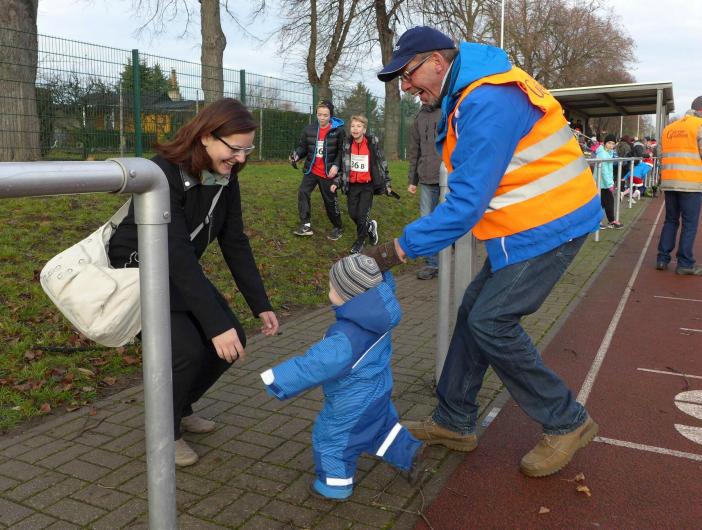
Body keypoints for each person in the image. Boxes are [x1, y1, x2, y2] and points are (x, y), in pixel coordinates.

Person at [369, 26, 602, 478]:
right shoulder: (474, 92)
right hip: (524, 226)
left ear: (437, 61)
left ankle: (566, 421)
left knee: (491, 321)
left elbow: (464, 205)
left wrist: (395, 251)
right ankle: (454, 420)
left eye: (408, 74)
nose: (406, 86)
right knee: (474, 313)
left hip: (550, 225)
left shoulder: (487, 99)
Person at [108, 98, 280, 466]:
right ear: (206, 137)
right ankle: (164, 433)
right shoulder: (162, 173)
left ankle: (179, 406)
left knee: (232, 340)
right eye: (235, 149)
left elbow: (234, 241)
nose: (241, 159)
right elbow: (176, 252)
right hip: (138, 270)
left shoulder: (226, 176)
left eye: (247, 150)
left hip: (175, 268)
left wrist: (260, 304)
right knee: (187, 349)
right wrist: (214, 325)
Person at [260, 254, 424, 501]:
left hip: (352, 403)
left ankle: (334, 486)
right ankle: (409, 452)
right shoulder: (380, 315)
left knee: (332, 439)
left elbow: (314, 365)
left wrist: (278, 379)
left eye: (332, 288)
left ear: (348, 296)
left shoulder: (347, 337)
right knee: (381, 427)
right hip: (378, 391)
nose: (329, 292)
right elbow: (383, 285)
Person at [655, 95, 702, 275]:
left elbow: (660, 152)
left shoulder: (670, 127)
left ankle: (662, 258)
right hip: (690, 182)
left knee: (670, 220)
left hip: (670, 181)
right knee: (689, 224)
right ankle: (685, 263)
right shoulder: (700, 125)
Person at [331, 115, 391, 254]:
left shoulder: (372, 142)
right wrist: (337, 182)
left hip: (367, 185)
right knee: (353, 214)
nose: (355, 129)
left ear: (364, 129)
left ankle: (360, 241)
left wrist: (387, 182)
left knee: (362, 215)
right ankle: (370, 227)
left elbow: (382, 162)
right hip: (352, 186)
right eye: (353, 126)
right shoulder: (347, 143)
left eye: (359, 126)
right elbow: (343, 166)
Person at [290, 99, 345, 240]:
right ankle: (305, 224)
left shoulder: (338, 131)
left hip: (328, 173)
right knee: (303, 192)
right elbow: (303, 147)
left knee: (330, 200)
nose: (322, 118)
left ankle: (338, 226)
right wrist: (296, 155)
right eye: (319, 114)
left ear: (331, 115)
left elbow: (342, 151)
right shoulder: (309, 129)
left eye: (325, 115)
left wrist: (336, 166)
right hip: (312, 170)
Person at [406, 103, 443, 279]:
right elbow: (415, 150)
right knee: (427, 222)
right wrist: (412, 180)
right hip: (426, 179)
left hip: (448, 179)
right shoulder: (419, 117)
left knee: (448, 221)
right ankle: (432, 264)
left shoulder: (447, 111)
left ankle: (456, 258)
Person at [594, 134, 623, 229]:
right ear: (605, 143)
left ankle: (599, 221)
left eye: (613, 144)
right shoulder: (603, 153)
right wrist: (610, 184)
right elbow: (604, 171)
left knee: (602, 203)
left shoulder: (608, 152)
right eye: (609, 143)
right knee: (609, 201)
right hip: (602, 183)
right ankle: (611, 221)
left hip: (602, 182)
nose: (611, 145)